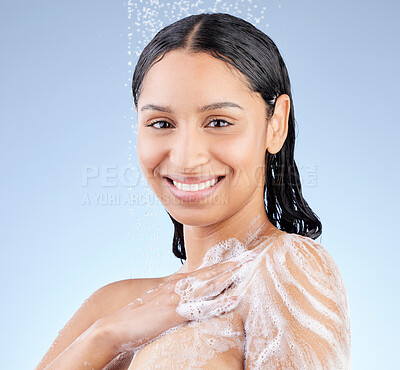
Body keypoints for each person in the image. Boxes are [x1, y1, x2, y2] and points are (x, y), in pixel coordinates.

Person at [36, 12, 351, 369]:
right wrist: (106, 336)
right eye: (161, 123)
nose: (186, 158)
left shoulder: (285, 268)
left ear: (275, 125)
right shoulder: (111, 307)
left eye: (218, 122)